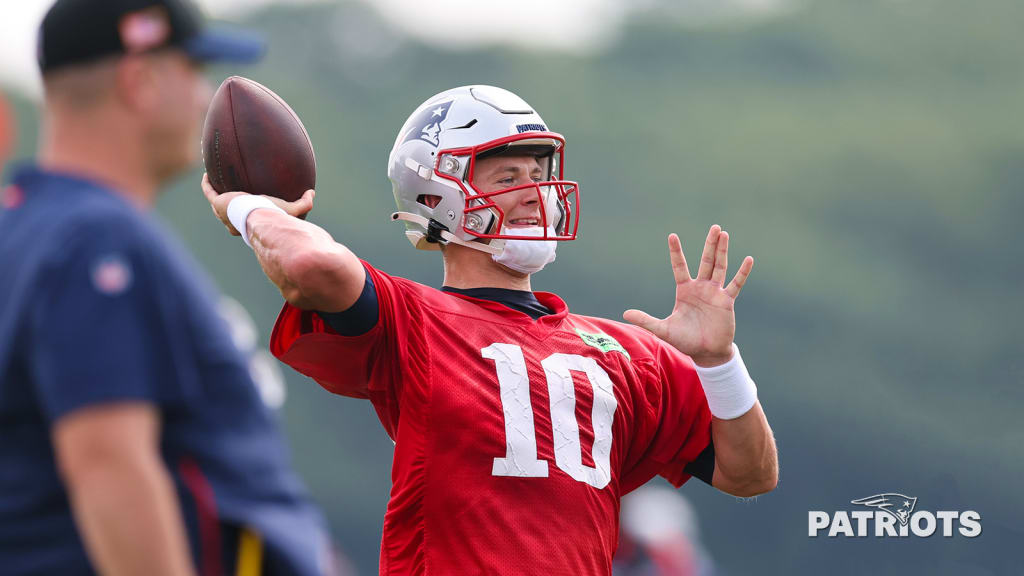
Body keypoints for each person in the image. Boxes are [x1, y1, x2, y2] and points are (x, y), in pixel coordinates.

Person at [203, 85, 778, 575]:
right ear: (437, 194)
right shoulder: (414, 320)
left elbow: (750, 473)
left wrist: (720, 364)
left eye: (538, 173)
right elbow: (310, 267)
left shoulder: (626, 351)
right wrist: (252, 209)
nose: (535, 191)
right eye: (507, 175)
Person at [0, 1, 332, 575]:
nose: (204, 100)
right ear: (140, 79)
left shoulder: (28, 226)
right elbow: (108, 461)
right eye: (192, 72)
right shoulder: (96, 239)